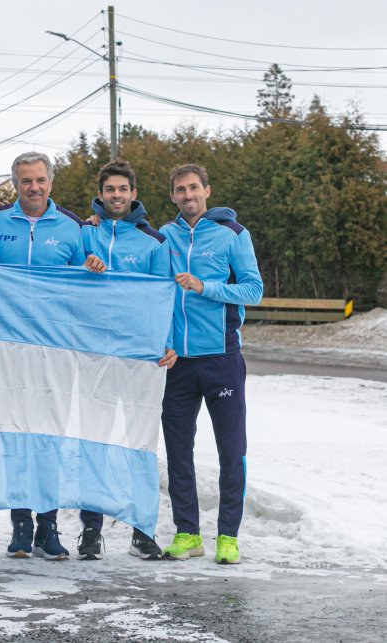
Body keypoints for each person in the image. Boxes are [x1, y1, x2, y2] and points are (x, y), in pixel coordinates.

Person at [0, 151, 102, 562]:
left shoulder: (72, 228)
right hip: (7, 349)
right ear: (15, 184)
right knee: (16, 436)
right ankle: (20, 524)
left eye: (39, 180)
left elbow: (82, 290)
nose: (33, 187)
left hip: (54, 350)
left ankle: (48, 525)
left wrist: (92, 266)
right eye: (25, 181)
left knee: (50, 438)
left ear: (50, 182)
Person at [158, 163, 263, 565]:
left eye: (193, 188)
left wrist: (205, 287)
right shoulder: (164, 236)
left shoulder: (233, 234)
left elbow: (253, 290)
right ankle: (187, 534)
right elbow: (152, 289)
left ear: (207, 190)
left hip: (222, 358)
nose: (187, 195)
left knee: (231, 451)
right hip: (178, 364)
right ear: (173, 196)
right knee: (178, 453)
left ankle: (228, 537)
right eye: (180, 190)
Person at [78, 159, 177, 561]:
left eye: (123, 189)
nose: (116, 195)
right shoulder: (85, 232)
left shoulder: (153, 241)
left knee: (140, 444)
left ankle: (142, 530)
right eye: (110, 189)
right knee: (94, 441)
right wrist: (85, 265)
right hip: (95, 353)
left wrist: (168, 342)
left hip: (140, 356)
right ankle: (90, 529)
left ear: (134, 194)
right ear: (100, 194)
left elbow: (165, 296)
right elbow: (67, 278)